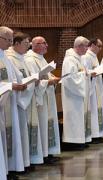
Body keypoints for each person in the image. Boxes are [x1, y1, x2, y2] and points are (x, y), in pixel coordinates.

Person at [5, 32, 42, 170]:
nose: (29, 46)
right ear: (17, 43)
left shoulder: (22, 58)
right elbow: (15, 80)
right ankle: (16, 165)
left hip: (25, 99)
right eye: (26, 43)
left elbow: (23, 77)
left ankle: (25, 161)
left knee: (23, 133)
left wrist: (35, 81)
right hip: (14, 101)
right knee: (17, 133)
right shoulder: (10, 58)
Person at [25, 36, 61, 164]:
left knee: (48, 124)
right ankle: (43, 154)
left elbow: (46, 74)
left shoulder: (41, 58)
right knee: (42, 124)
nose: (46, 45)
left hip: (47, 96)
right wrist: (49, 82)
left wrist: (53, 78)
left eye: (46, 43)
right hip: (38, 99)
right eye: (43, 43)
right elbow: (34, 80)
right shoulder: (29, 60)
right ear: (34, 45)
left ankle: (48, 152)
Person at [0, 26, 27, 179]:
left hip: (8, 102)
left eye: (11, 40)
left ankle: (7, 169)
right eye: (8, 40)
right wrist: (11, 86)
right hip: (3, 103)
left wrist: (21, 83)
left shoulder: (5, 56)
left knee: (7, 136)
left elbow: (14, 76)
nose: (10, 43)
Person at [61, 36, 90, 149]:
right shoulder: (69, 60)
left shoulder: (79, 58)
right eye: (85, 47)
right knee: (73, 117)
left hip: (78, 94)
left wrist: (85, 73)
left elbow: (80, 73)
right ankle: (72, 142)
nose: (87, 49)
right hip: (72, 95)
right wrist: (84, 74)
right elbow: (68, 79)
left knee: (78, 117)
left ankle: (79, 140)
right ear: (78, 46)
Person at [82, 38, 103, 143]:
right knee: (93, 111)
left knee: (98, 110)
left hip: (97, 87)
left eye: (101, 46)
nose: (100, 48)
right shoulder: (87, 56)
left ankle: (98, 133)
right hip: (92, 89)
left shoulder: (94, 56)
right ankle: (93, 134)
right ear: (92, 45)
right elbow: (85, 71)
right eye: (99, 46)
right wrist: (93, 72)